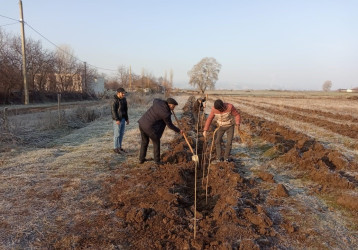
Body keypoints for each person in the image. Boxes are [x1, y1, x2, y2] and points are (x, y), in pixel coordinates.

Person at [138, 97, 183, 165]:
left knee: (144, 142)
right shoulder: (166, 114)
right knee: (156, 142)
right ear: (169, 105)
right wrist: (179, 130)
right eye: (173, 106)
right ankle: (157, 161)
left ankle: (141, 159)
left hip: (142, 123)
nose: (173, 108)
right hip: (149, 127)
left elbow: (155, 99)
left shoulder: (157, 102)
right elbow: (170, 125)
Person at [111, 87, 129, 154]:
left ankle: (119, 147)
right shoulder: (114, 100)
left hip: (123, 119)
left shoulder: (124, 99)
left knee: (121, 133)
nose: (124, 94)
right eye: (122, 93)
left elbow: (125, 110)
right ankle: (115, 148)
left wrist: (127, 119)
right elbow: (113, 111)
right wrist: (116, 119)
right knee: (117, 134)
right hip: (117, 120)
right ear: (118, 93)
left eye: (124, 93)